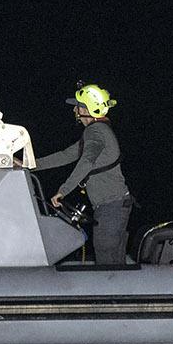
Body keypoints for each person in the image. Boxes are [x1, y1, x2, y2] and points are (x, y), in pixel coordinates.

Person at [34, 83, 133, 264]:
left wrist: (63, 190)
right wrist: (29, 165)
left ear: (88, 109)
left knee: (107, 262)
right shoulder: (98, 131)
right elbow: (66, 155)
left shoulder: (95, 131)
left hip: (111, 207)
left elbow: (86, 161)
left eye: (78, 105)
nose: (74, 109)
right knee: (115, 262)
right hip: (114, 206)